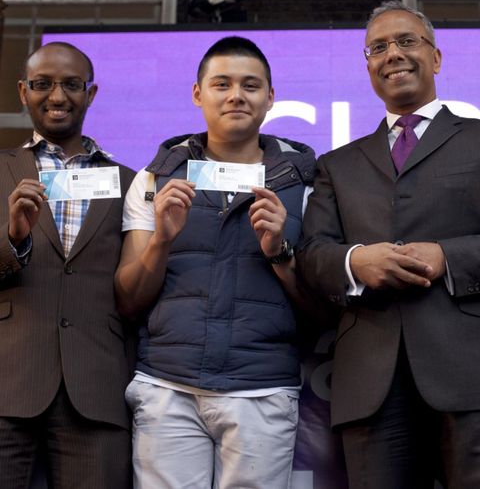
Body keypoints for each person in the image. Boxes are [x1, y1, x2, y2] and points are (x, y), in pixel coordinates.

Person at [296, 0, 480, 489]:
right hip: (369, 386)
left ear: (436, 57)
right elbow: (313, 256)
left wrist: (448, 257)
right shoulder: (338, 164)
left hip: (478, 376)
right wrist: (357, 262)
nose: (392, 54)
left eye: (406, 41)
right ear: (368, 66)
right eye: (378, 47)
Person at [114, 36, 316, 489]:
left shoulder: (306, 182)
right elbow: (127, 300)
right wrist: (162, 240)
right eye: (221, 83)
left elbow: (323, 309)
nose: (236, 96)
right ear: (197, 93)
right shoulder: (154, 177)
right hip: (168, 386)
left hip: (262, 388)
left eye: (250, 85)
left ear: (271, 97)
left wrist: (280, 250)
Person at [0, 42, 135, 488]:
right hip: (7, 382)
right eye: (43, 84)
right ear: (23, 91)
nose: (57, 96)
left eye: (71, 85)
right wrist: (14, 238)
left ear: (91, 94)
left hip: (95, 388)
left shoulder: (130, 182)